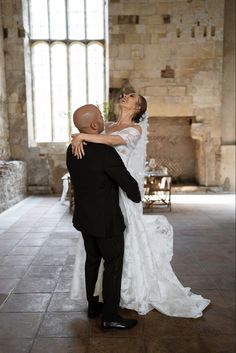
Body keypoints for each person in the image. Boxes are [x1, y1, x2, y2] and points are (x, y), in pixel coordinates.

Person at [70, 93, 211, 318]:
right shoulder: (109, 125)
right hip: (106, 192)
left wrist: (80, 136)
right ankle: (106, 304)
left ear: (137, 108)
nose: (125, 96)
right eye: (126, 94)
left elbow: (107, 142)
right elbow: (96, 138)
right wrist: (82, 135)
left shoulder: (135, 129)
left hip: (123, 193)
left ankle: (127, 291)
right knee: (102, 252)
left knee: (120, 245)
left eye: (132, 96)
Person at [66, 104, 142, 330]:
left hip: (84, 218)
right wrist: (136, 196)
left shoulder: (72, 148)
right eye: (100, 116)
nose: (103, 118)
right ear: (93, 125)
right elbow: (126, 182)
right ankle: (110, 315)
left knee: (92, 260)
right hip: (106, 220)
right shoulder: (105, 152)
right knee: (113, 264)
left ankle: (93, 306)